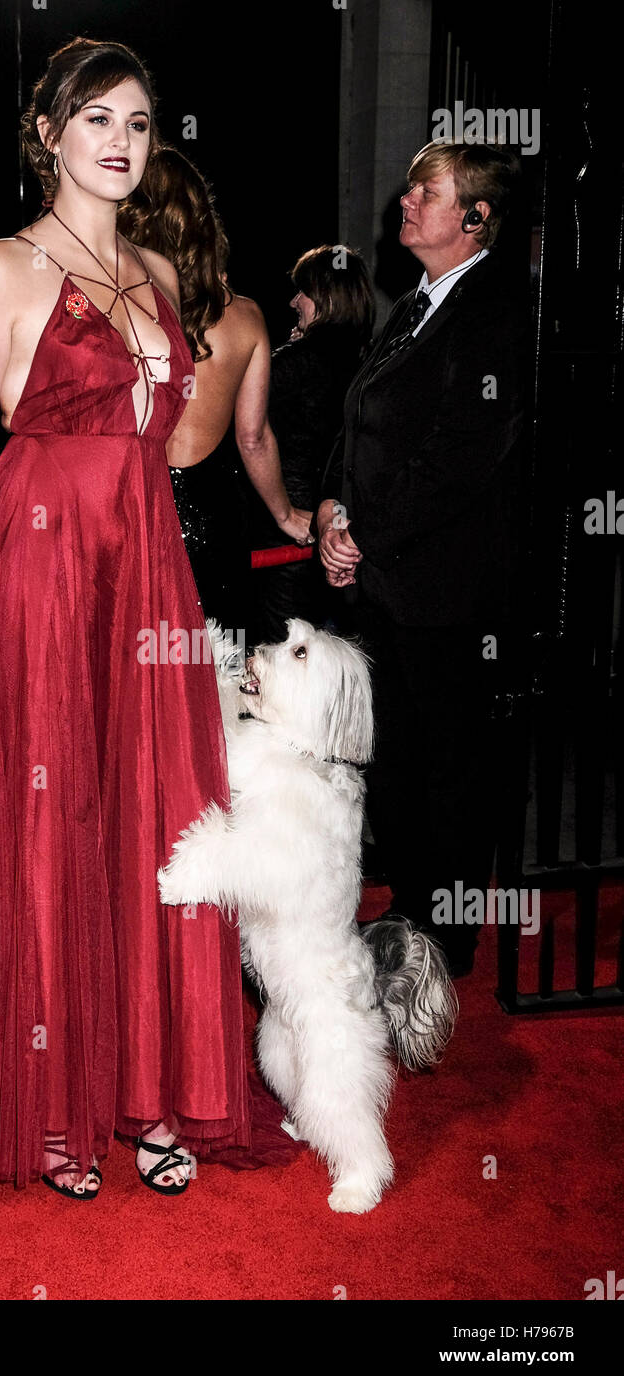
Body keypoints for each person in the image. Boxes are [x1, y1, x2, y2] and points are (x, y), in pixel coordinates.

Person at [0, 37, 273, 1222]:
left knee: (151, 818)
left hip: (146, 578)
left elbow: (182, 444)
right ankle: (56, 1103)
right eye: (97, 118)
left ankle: (149, 1090)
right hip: (38, 573)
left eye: (140, 124)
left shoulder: (161, 273)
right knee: (50, 832)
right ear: (48, 133)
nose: (121, 141)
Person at [317, 140, 528, 978]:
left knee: (450, 766)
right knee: (400, 756)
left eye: (426, 192)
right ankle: (410, 911)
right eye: (409, 188)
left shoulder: (498, 310)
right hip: (390, 578)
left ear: (475, 218)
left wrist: (366, 532)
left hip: (450, 589)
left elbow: (463, 453)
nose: (404, 202)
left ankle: (444, 940)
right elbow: (358, 420)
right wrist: (333, 508)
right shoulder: (416, 302)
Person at [118, 147, 312, 639]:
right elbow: (253, 437)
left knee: (132, 673)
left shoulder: (113, 309)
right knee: (214, 675)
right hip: (216, 515)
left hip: (133, 506)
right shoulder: (245, 316)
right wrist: (286, 514)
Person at [247, 244, 374, 645]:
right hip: (344, 541)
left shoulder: (289, 363)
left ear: (324, 298)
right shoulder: (373, 364)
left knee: (276, 667)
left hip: (286, 537)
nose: (293, 300)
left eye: (302, 291)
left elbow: (244, 436)